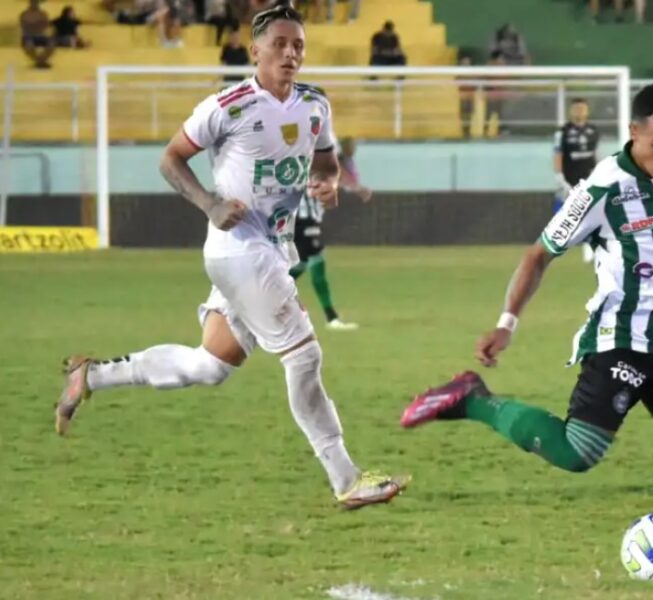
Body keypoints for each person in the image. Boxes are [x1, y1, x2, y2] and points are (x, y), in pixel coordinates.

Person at [55, 4, 409, 510]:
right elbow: (170, 158)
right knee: (304, 353)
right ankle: (346, 479)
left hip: (272, 249)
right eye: (281, 44)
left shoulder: (314, 105)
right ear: (255, 51)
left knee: (209, 365)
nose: (291, 53)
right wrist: (210, 203)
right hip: (238, 249)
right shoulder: (228, 105)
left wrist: (328, 185)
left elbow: (327, 161)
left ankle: (92, 376)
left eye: (299, 45)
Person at [400, 84, 653, 577]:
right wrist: (506, 324)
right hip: (619, 344)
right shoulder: (603, 187)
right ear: (634, 133)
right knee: (577, 453)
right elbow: (538, 254)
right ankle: (473, 399)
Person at [290, 136, 371, 331]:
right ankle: (331, 317)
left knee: (305, 263)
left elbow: (337, 174)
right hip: (302, 220)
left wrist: (355, 187)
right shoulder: (305, 159)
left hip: (307, 219)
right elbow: (336, 173)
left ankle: (265, 295)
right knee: (313, 259)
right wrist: (357, 188)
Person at [554, 98, 600, 263]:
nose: (579, 111)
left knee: (591, 213)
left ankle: (589, 248)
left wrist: (598, 172)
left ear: (587, 111)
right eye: (576, 108)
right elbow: (558, 154)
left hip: (588, 178)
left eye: (582, 108)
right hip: (569, 179)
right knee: (565, 214)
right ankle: (558, 244)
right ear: (571, 111)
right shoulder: (563, 132)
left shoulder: (593, 130)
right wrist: (559, 176)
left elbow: (594, 153)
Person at [21, 0, 55, 69]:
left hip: (40, 35)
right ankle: (40, 62)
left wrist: (34, 25)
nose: (35, 4)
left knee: (52, 43)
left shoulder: (43, 13)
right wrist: (37, 24)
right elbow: (25, 26)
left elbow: (45, 25)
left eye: (36, 3)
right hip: (28, 36)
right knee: (29, 45)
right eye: (33, 3)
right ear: (30, 4)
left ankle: (39, 61)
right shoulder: (25, 14)